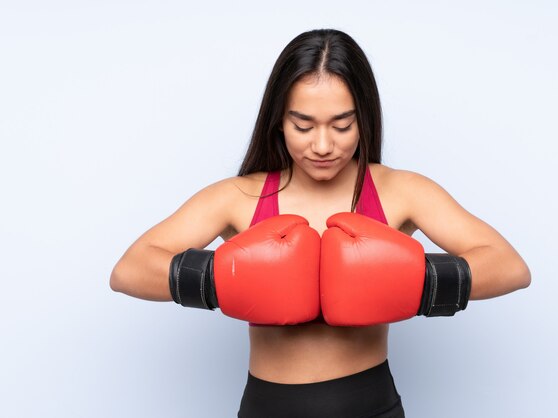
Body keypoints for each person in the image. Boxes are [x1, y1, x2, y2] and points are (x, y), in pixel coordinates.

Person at [109, 28, 531, 418]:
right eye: (303, 125)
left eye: (342, 125)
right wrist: (225, 278)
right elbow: (129, 271)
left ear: (363, 118)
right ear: (279, 119)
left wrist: (413, 281)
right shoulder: (240, 197)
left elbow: (510, 267)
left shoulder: (400, 192)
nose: (323, 145)